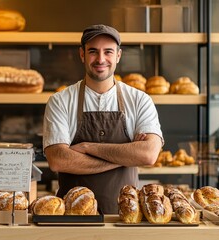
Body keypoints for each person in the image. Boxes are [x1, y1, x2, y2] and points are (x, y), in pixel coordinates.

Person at [42, 24, 164, 214]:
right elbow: (58, 160)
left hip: (125, 216)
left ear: (118, 55)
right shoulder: (60, 101)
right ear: (82, 54)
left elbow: (148, 154)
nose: (100, 59)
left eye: (108, 52)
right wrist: (126, 157)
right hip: (71, 219)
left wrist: (86, 148)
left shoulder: (139, 100)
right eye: (93, 51)